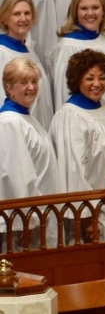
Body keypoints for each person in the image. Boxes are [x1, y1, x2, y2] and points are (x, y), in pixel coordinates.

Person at [50, 48, 105, 196]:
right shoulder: (70, 117)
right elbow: (74, 174)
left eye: (102, 78)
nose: (97, 84)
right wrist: (86, 213)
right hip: (90, 209)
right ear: (77, 80)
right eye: (90, 78)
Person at [49, 0, 105, 112]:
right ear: (75, 13)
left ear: (103, 12)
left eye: (95, 8)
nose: (90, 13)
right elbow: (63, 93)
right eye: (84, 8)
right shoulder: (67, 48)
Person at [0, 58, 62, 204]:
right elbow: (17, 177)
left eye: (34, 81)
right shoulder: (9, 122)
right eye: (23, 83)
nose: (31, 87)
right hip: (30, 216)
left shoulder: (27, 118)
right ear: (9, 88)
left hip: (44, 209)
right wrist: (31, 219)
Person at [0, 0, 52, 128]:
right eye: (16, 14)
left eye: (27, 13)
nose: (23, 18)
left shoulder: (30, 52)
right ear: (5, 18)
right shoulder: (2, 52)